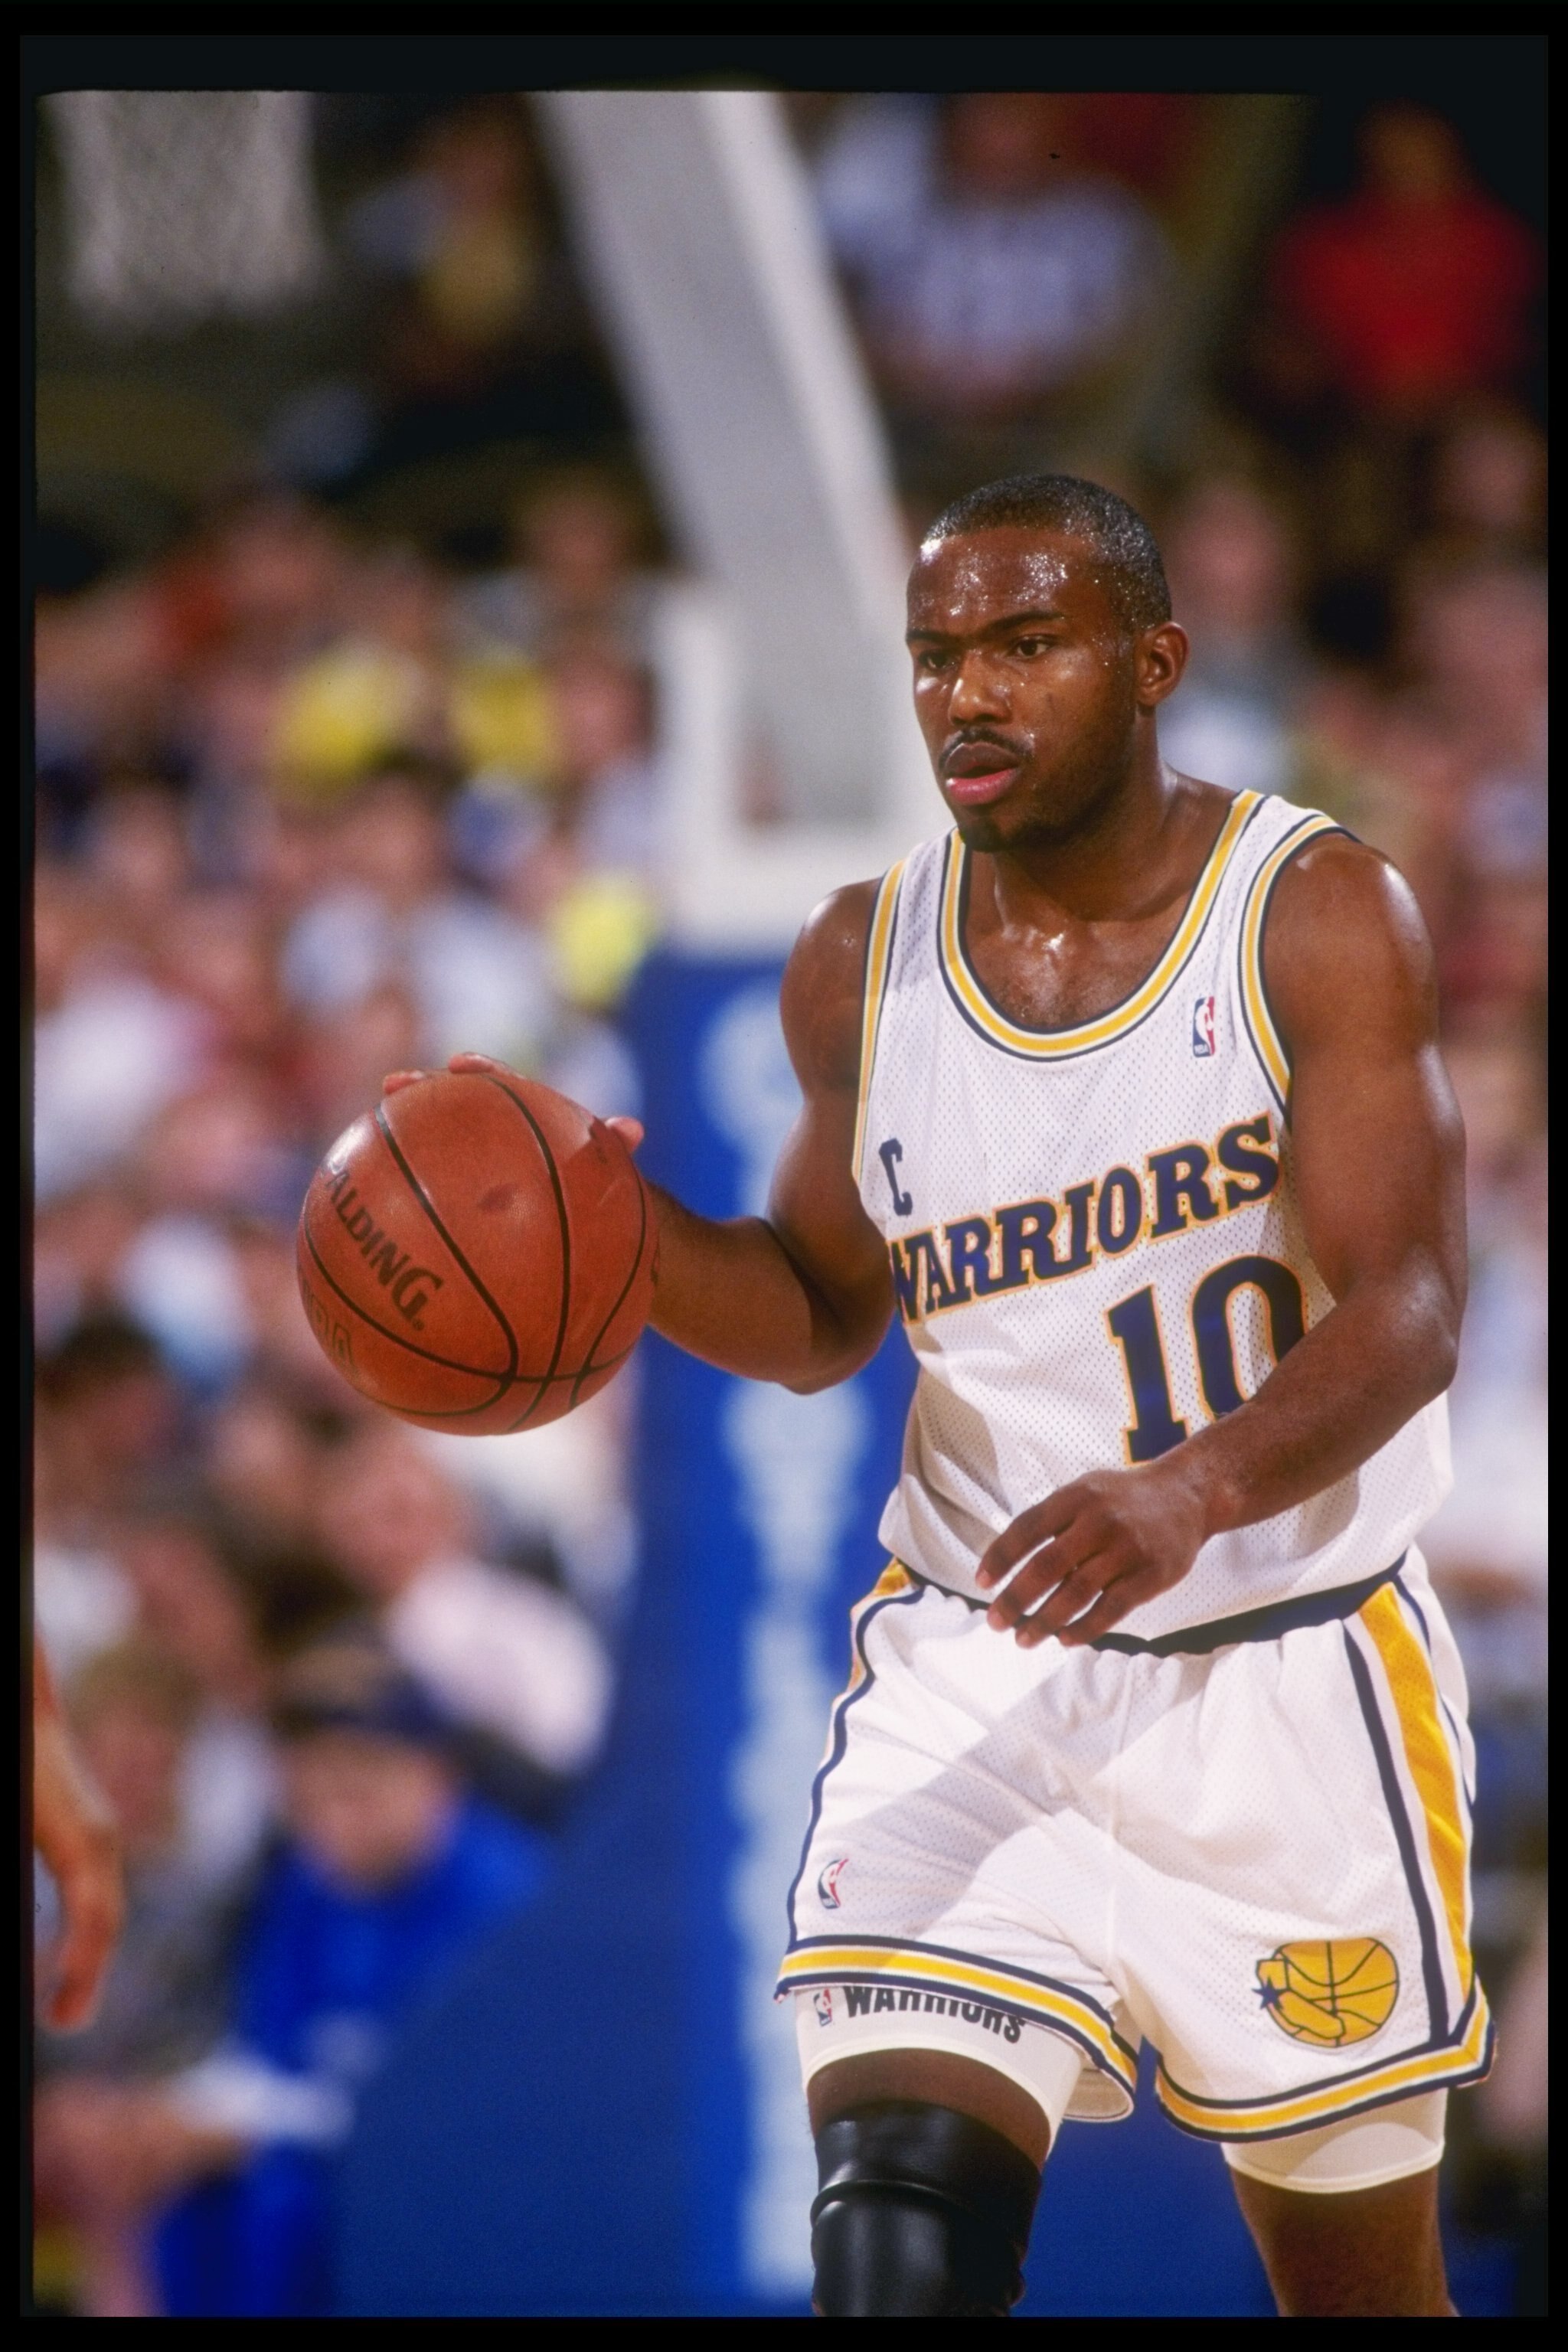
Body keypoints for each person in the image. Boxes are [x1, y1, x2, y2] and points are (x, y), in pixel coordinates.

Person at [387, 475, 1486, 2317]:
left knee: (1358, 2292)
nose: (967, 695)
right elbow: (821, 1310)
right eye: (935, 656)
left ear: (1153, 665)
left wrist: (1190, 1490)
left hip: (1294, 1670)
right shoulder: (855, 962)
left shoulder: (1312, 914)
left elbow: (1414, 1304)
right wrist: (622, 1237)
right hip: (980, 1660)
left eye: (1025, 646)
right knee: (897, 2247)